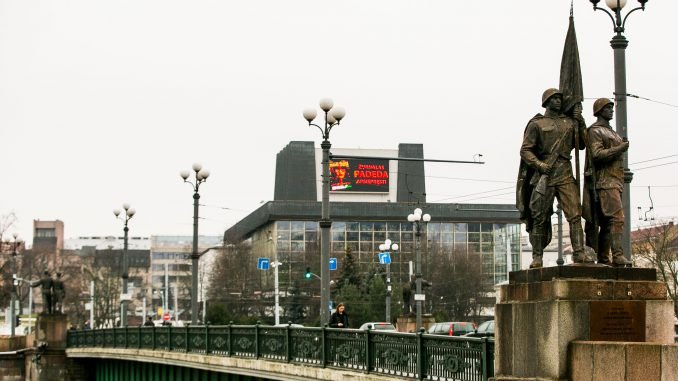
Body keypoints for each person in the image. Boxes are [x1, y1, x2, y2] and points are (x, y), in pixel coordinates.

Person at [517, 88, 594, 268]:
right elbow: (525, 150)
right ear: (546, 102)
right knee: (540, 217)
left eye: (560, 98)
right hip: (545, 174)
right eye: (554, 98)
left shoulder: (569, 123)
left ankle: (579, 252)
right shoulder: (537, 124)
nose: (558, 101)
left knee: (575, 214)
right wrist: (540, 165)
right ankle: (537, 257)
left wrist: (580, 120)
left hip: (565, 173)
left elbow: (583, 144)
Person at [582, 98, 633, 267]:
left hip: (615, 180)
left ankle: (604, 257)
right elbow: (596, 155)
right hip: (605, 181)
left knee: (606, 222)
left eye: (612, 107)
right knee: (617, 218)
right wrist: (620, 148)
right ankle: (617, 255)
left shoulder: (612, 132)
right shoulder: (595, 131)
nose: (611, 110)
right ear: (599, 111)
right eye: (608, 108)